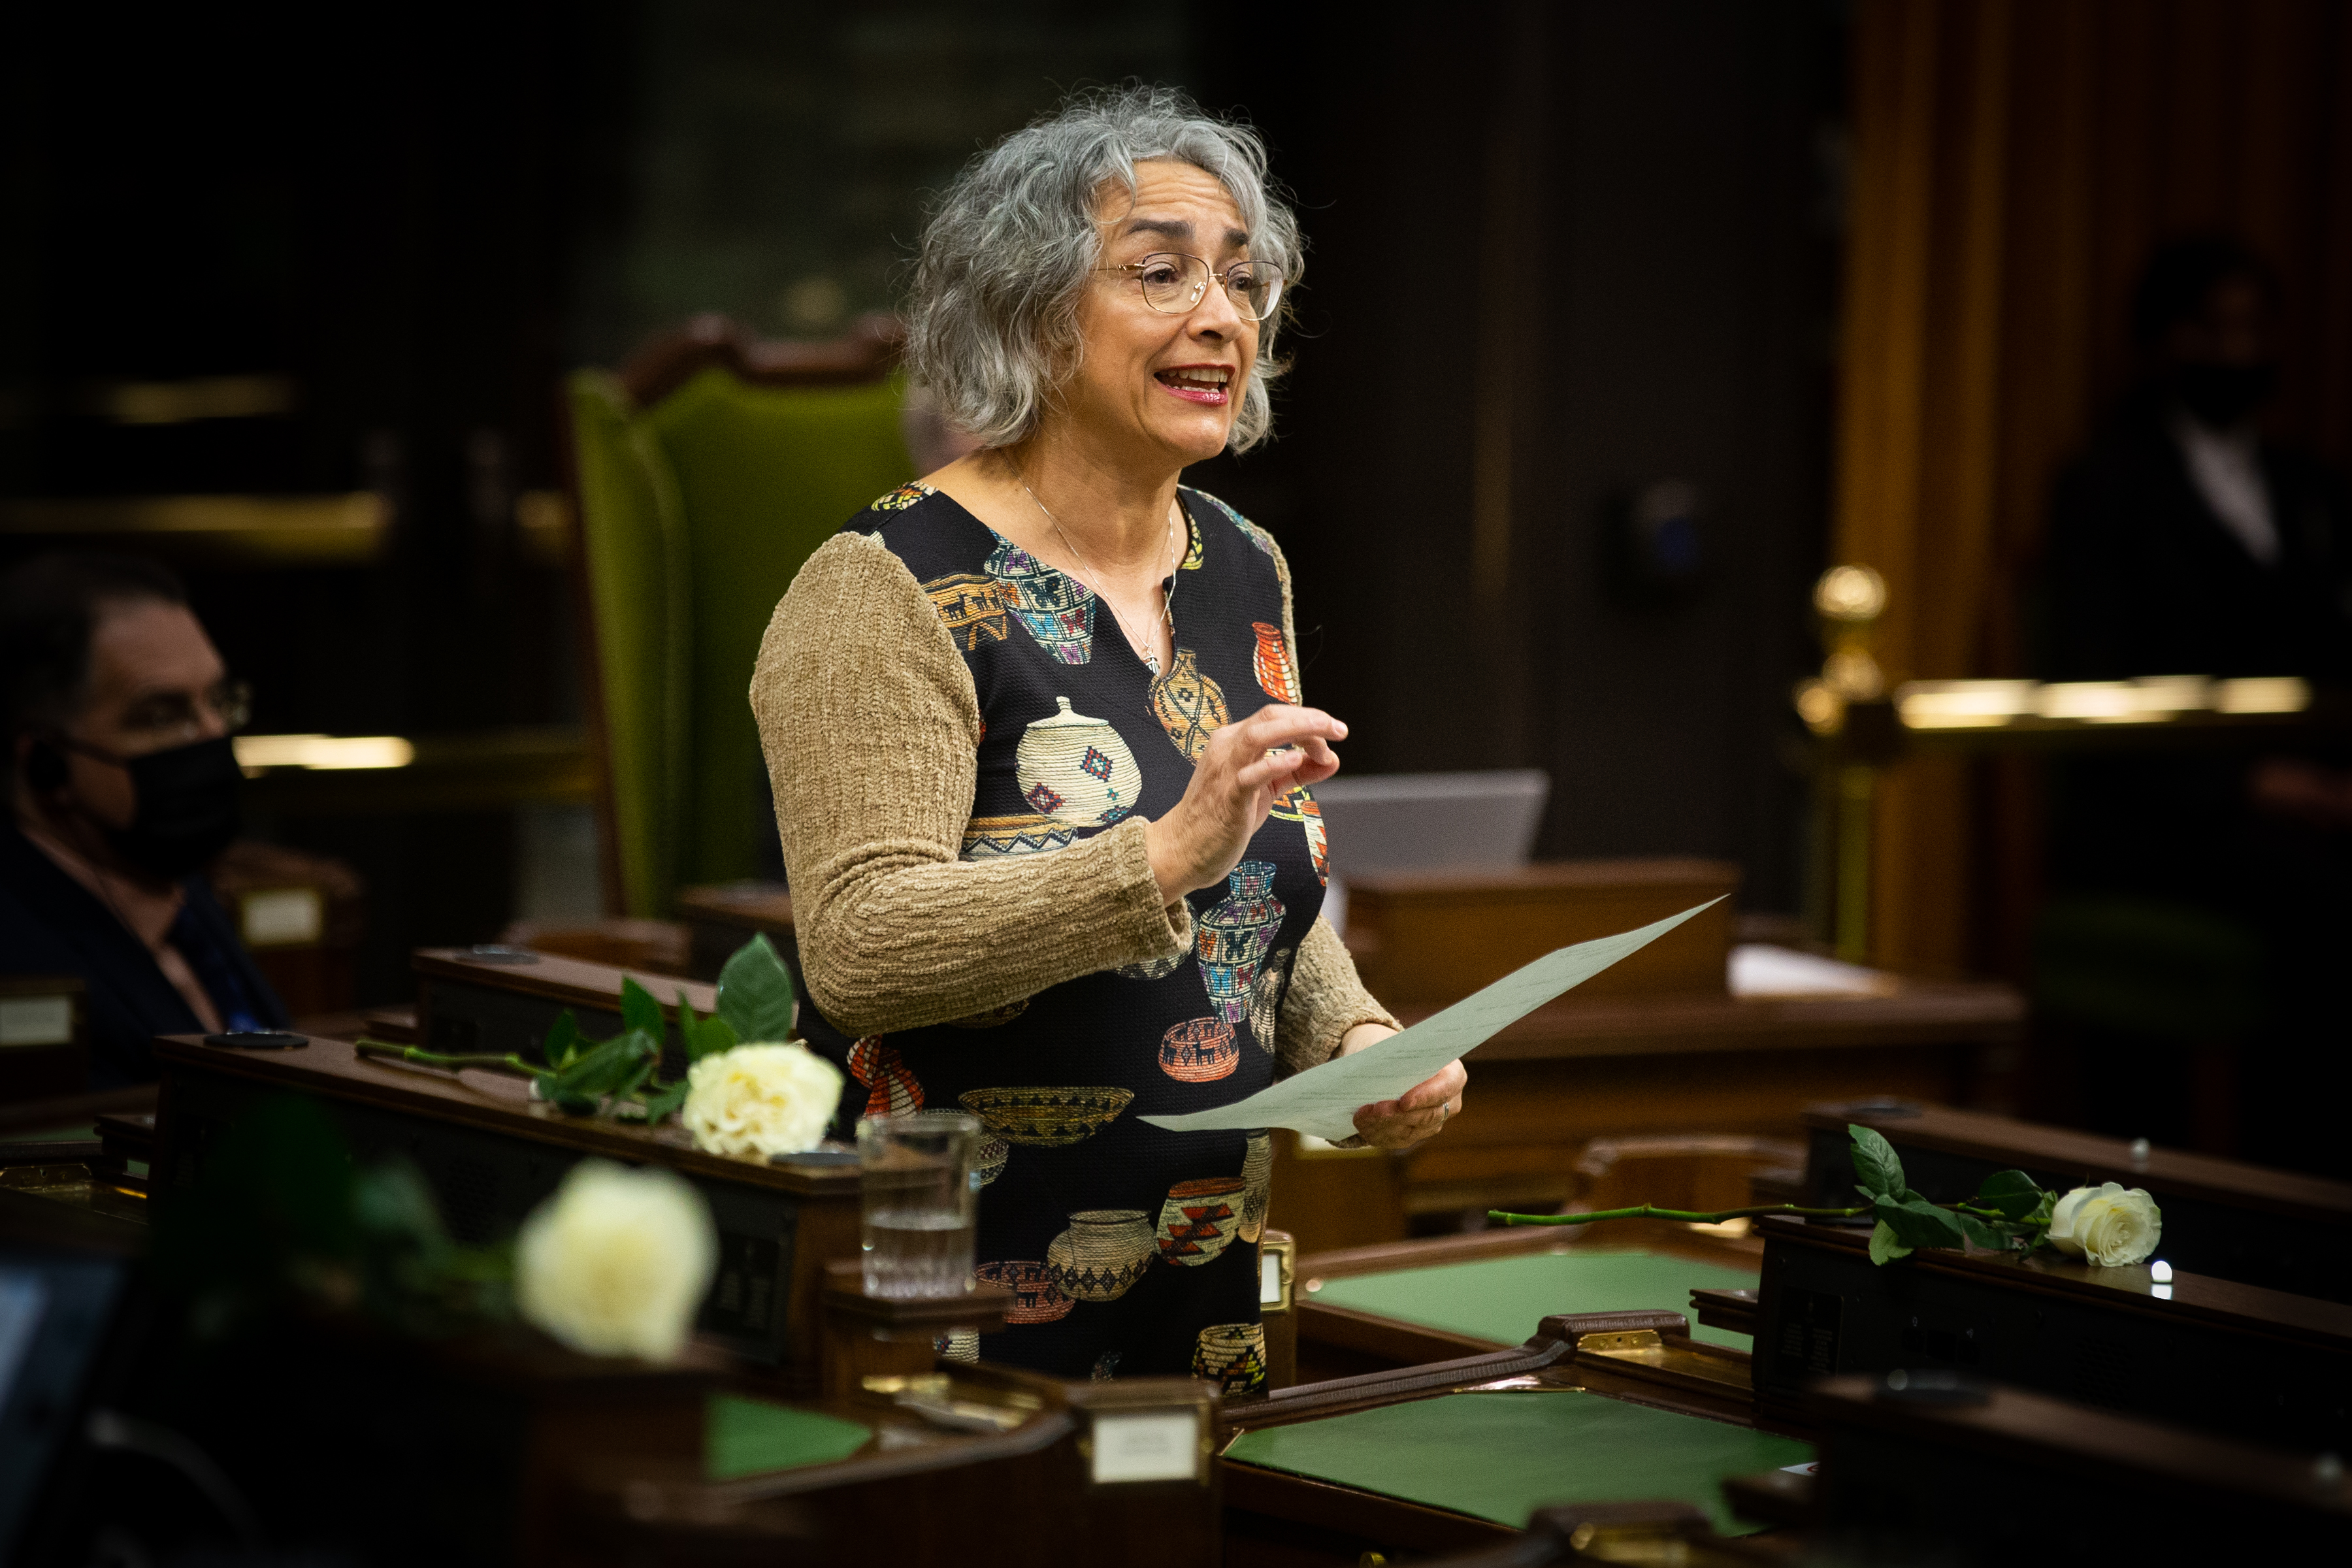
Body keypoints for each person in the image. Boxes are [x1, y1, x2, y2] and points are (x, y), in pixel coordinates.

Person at [753, 87, 1465, 1386]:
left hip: (1203, 1300)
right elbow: (859, 944)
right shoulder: (878, 586)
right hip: (944, 1307)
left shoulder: (1245, 564)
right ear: (1027, 315)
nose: (1221, 319)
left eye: (1244, 284)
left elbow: (1252, 885)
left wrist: (1358, 1040)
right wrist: (1156, 859)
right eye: (1160, 274)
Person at [2038, 237, 2352, 1166]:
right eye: (2212, 329)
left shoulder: (2311, 489)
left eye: (2255, 329)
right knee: (2328, 909)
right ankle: (2286, 1194)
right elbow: (2098, 679)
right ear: (2165, 339)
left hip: (2308, 796)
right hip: (2161, 810)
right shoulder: (2109, 483)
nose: (2237, 353)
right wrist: (2259, 784)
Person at [1, 551, 286, 1088]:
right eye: (163, 716)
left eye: (218, 703)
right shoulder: (23, 972)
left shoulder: (174, 888)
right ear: (47, 763)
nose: (211, 738)